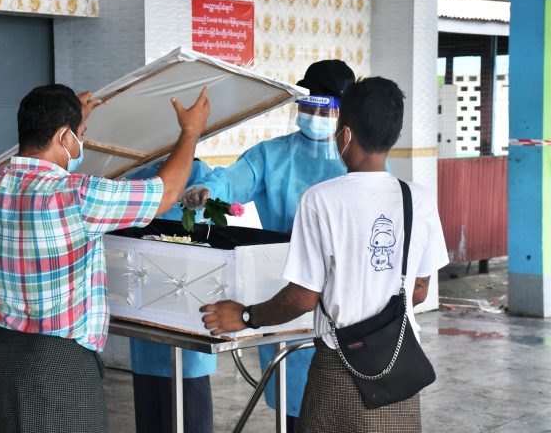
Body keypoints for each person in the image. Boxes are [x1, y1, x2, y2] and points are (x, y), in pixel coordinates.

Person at [200, 77, 449, 432]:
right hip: (399, 366)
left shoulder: (320, 200)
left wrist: (246, 315)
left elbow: (302, 297)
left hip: (340, 368)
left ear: (344, 134)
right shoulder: (419, 199)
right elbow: (420, 288)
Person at [0, 84, 210, 433]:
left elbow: (43, 178)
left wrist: (73, 123)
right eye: (81, 135)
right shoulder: (78, 195)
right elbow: (166, 192)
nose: (82, 143)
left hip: (0, 354)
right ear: (63, 136)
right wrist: (190, 132)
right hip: (55, 364)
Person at [180, 59, 355, 430]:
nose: (312, 114)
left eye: (321, 107)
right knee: (294, 407)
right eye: (306, 105)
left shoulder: (353, 161)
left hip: (343, 298)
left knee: (339, 405)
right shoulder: (272, 156)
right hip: (286, 293)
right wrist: (211, 191)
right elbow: (234, 179)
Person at [127, 158, 216, 433]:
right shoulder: (136, 175)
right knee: (151, 420)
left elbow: (221, 194)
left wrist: (206, 194)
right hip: (144, 319)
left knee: (189, 418)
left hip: (188, 320)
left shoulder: (201, 174)